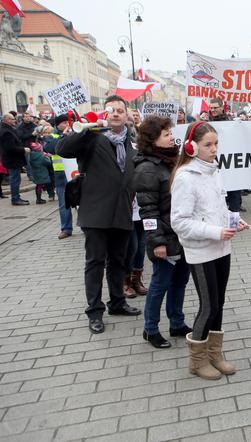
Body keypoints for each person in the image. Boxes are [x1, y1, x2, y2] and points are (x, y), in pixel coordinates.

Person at [57, 95, 141, 334]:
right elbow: (62, 149)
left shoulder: (131, 141)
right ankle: (95, 311)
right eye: (111, 110)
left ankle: (117, 302)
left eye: (120, 110)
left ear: (126, 116)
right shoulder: (92, 137)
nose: (115, 113)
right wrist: (86, 129)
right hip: (95, 211)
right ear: (105, 114)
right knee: (95, 262)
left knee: (118, 261)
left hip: (122, 210)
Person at [171, 121, 247, 380]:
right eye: (208, 145)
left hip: (222, 248)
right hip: (201, 251)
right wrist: (214, 232)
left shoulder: (214, 171)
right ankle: (197, 360)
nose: (214, 149)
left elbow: (217, 208)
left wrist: (234, 220)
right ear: (192, 147)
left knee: (220, 303)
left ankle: (215, 354)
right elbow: (179, 222)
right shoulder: (185, 177)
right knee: (208, 306)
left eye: (216, 144)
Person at [133, 115, 192, 348]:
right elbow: (147, 210)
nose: (171, 137)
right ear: (152, 139)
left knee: (180, 281)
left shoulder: (172, 160)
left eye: (170, 133)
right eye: (166, 134)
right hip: (164, 238)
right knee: (160, 284)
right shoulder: (147, 168)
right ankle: (151, 329)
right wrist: (157, 242)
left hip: (181, 234)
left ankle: (177, 322)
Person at [43, 114, 73, 239]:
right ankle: (66, 228)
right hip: (61, 175)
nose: (67, 125)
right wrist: (63, 136)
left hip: (75, 173)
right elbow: (51, 148)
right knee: (63, 203)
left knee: (82, 201)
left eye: (68, 122)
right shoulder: (52, 136)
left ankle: (86, 226)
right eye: (64, 122)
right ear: (58, 124)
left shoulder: (76, 132)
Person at [0, 113, 30, 205]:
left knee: (16, 179)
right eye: (12, 119)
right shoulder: (6, 132)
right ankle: (15, 198)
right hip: (12, 159)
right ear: (7, 120)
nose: (14, 121)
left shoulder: (9, 129)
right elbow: (10, 148)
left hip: (13, 159)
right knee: (15, 179)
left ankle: (17, 197)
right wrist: (23, 149)